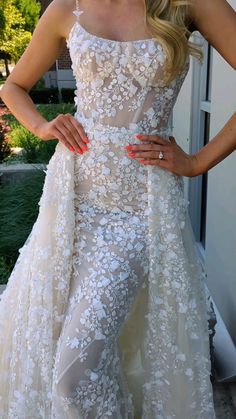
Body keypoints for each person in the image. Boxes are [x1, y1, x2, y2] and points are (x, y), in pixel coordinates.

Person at [0, 0, 235, 417]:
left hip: (140, 209)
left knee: (74, 379)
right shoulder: (66, 8)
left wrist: (198, 162)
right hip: (71, 200)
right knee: (54, 334)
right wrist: (41, 125)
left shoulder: (190, 3)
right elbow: (12, 87)